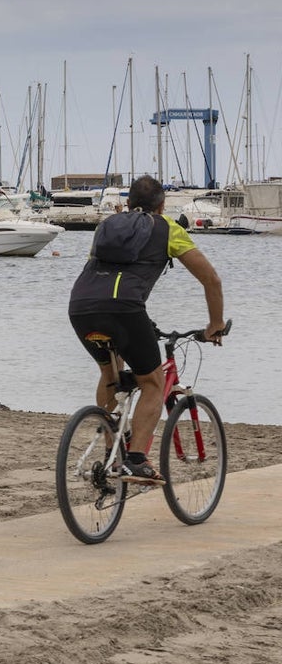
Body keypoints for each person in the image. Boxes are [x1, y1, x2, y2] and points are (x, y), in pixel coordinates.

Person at [69, 175, 225, 484]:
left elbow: (107, 272)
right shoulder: (168, 228)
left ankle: (113, 451)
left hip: (81, 306)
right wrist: (215, 325)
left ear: (127, 204)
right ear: (162, 205)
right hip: (125, 308)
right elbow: (211, 280)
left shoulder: (107, 227)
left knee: (111, 373)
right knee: (152, 382)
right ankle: (136, 460)